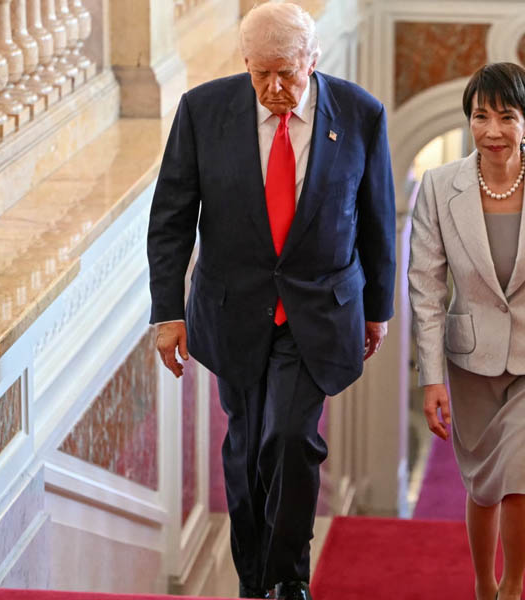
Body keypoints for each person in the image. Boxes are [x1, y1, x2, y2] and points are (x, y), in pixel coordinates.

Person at [147, 3, 396, 599]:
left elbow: (377, 219)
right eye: (261, 74)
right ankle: (253, 578)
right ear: (245, 63)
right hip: (233, 311)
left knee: (289, 437)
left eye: (287, 72)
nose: (274, 88)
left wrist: (379, 308)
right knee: (246, 446)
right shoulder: (204, 112)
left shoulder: (360, 115)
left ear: (314, 59)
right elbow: (172, 220)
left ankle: (286, 578)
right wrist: (168, 313)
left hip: (318, 312)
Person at [407, 62, 525, 600]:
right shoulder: (440, 187)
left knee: (517, 469)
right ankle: (483, 585)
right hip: (470, 357)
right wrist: (432, 378)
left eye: (506, 117)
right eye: (480, 116)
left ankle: (512, 588)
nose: (492, 130)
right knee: (484, 479)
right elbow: (425, 288)